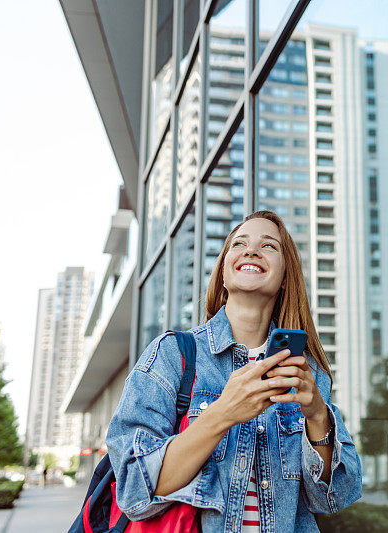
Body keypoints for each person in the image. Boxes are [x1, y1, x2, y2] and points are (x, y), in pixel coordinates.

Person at [106, 210, 362, 531]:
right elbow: (133, 491)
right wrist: (223, 414)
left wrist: (317, 416)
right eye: (239, 244)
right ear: (224, 273)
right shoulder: (173, 354)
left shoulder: (306, 372)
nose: (251, 250)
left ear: (285, 278)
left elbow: (332, 498)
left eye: (269, 246)